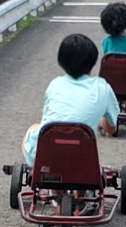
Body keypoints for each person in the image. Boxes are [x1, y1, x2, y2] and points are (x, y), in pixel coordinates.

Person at [20, 33, 119, 167]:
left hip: (48, 155)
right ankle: (82, 187)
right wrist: (102, 122)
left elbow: (47, 120)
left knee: (34, 128)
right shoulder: (103, 87)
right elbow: (111, 129)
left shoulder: (55, 84)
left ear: (61, 61)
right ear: (93, 61)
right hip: (82, 158)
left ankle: (56, 187)